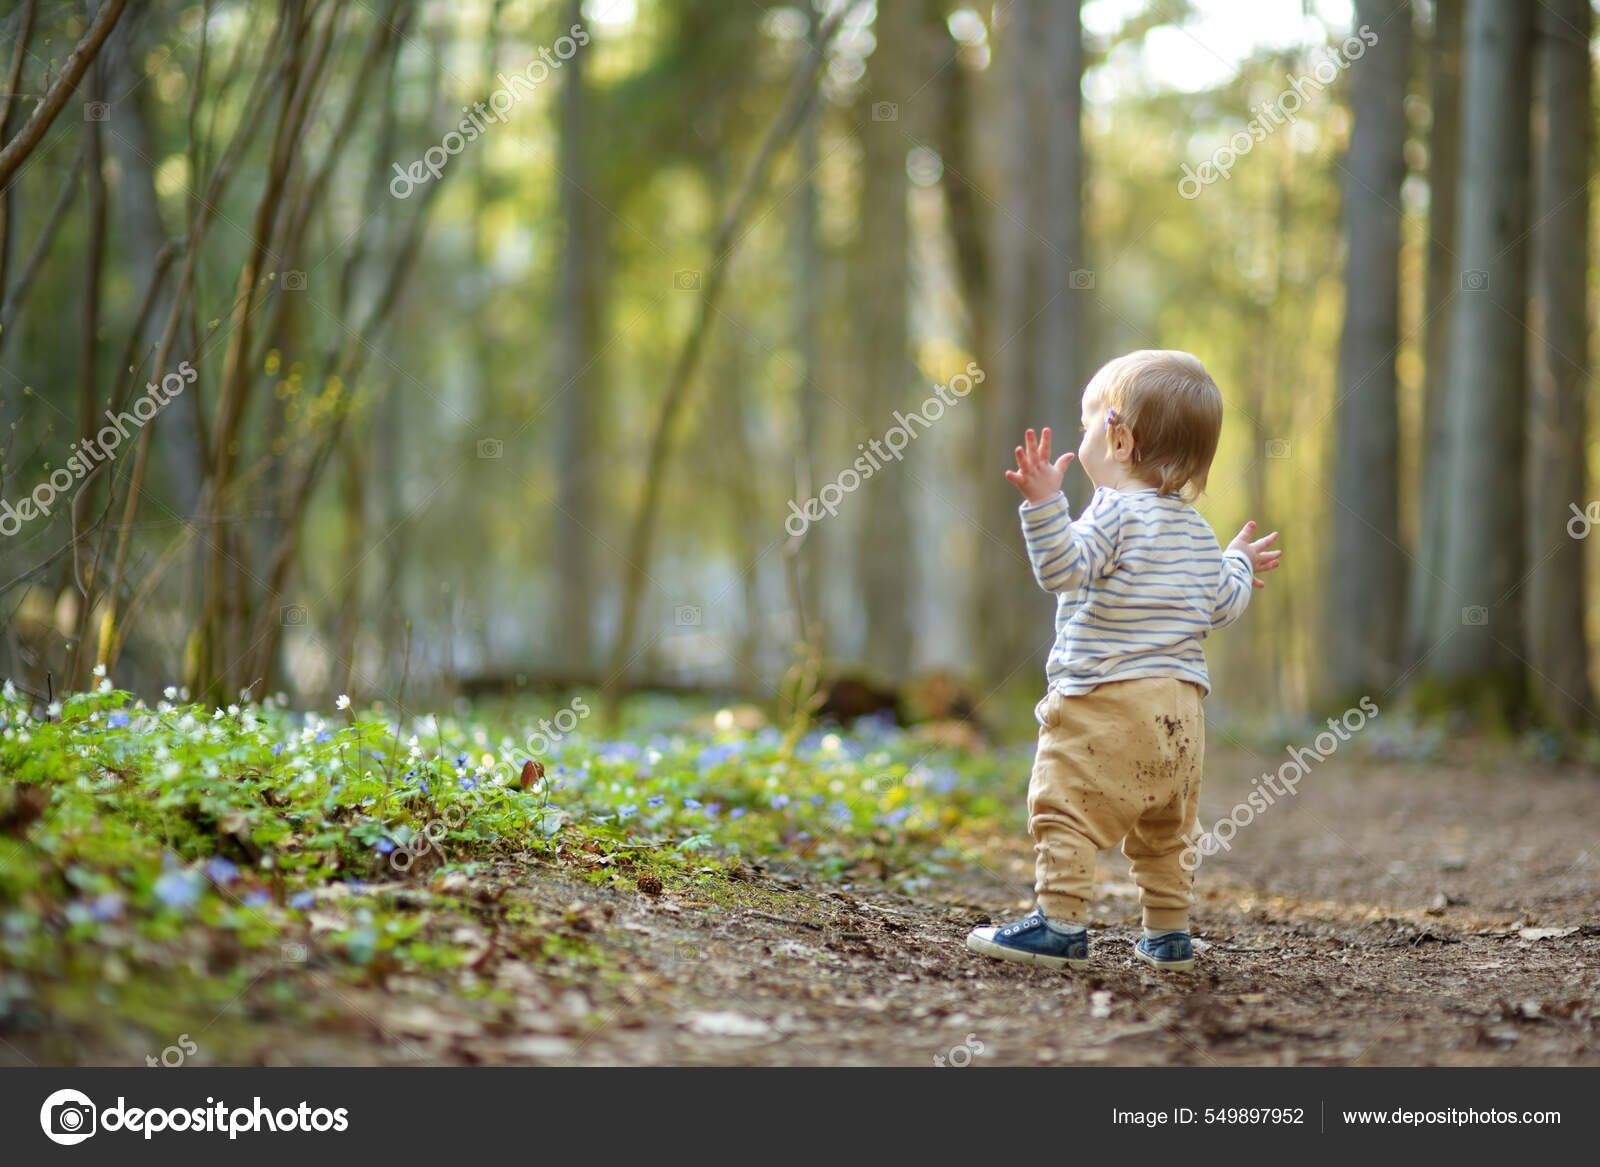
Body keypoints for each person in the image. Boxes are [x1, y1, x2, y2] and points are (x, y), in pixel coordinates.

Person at [966, 350, 1280, 972]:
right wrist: (1239, 561)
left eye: (1086, 424)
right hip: (1181, 714)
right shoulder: (1196, 531)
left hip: (1105, 699)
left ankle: (1059, 923)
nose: (1080, 435)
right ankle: (1168, 937)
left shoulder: (1111, 511)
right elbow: (1221, 604)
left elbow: (1061, 569)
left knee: (1065, 807)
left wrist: (1043, 506)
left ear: (1119, 439)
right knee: (1166, 834)